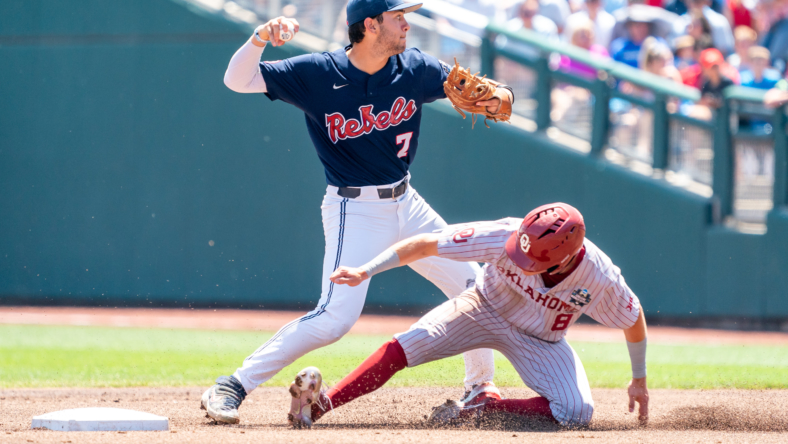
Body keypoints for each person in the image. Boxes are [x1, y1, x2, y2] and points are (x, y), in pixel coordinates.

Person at [201, 0, 514, 425]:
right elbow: (236, 80)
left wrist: (502, 95)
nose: (407, 22)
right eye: (397, 16)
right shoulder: (318, 73)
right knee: (334, 319)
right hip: (354, 209)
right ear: (369, 25)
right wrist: (260, 38)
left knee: (475, 290)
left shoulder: (415, 67)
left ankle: (480, 388)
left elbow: (493, 92)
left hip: (408, 202)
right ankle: (233, 385)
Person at [288, 203, 650, 427]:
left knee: (577, 413)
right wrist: (367, 270)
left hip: (540, 340)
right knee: (408, 345)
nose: (522, 260)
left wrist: (639, 379)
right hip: (481, 307)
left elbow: (632, 319)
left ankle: (480, 409)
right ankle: (318, 407)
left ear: (567, 256)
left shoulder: (600, 278)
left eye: (535, 258)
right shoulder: (506, 234)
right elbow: (428, 242)